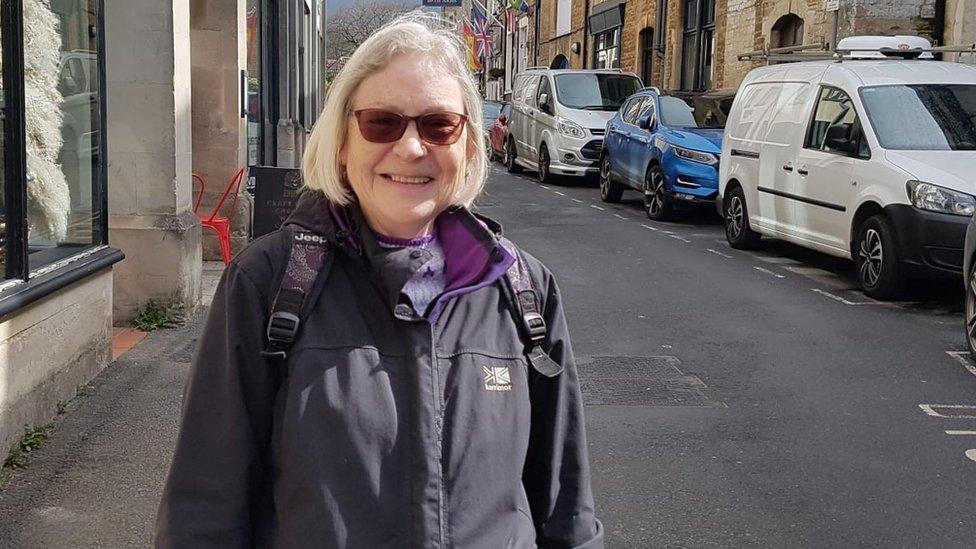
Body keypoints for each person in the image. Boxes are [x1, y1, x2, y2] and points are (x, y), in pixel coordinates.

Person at [155, 12, 603, 548]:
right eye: (381, 123)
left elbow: (566, 509)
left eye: (439, 125)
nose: (412, 148)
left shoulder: (524, 291)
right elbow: (205, 512)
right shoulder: (266, 284)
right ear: (343, 143)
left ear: (470, 147)